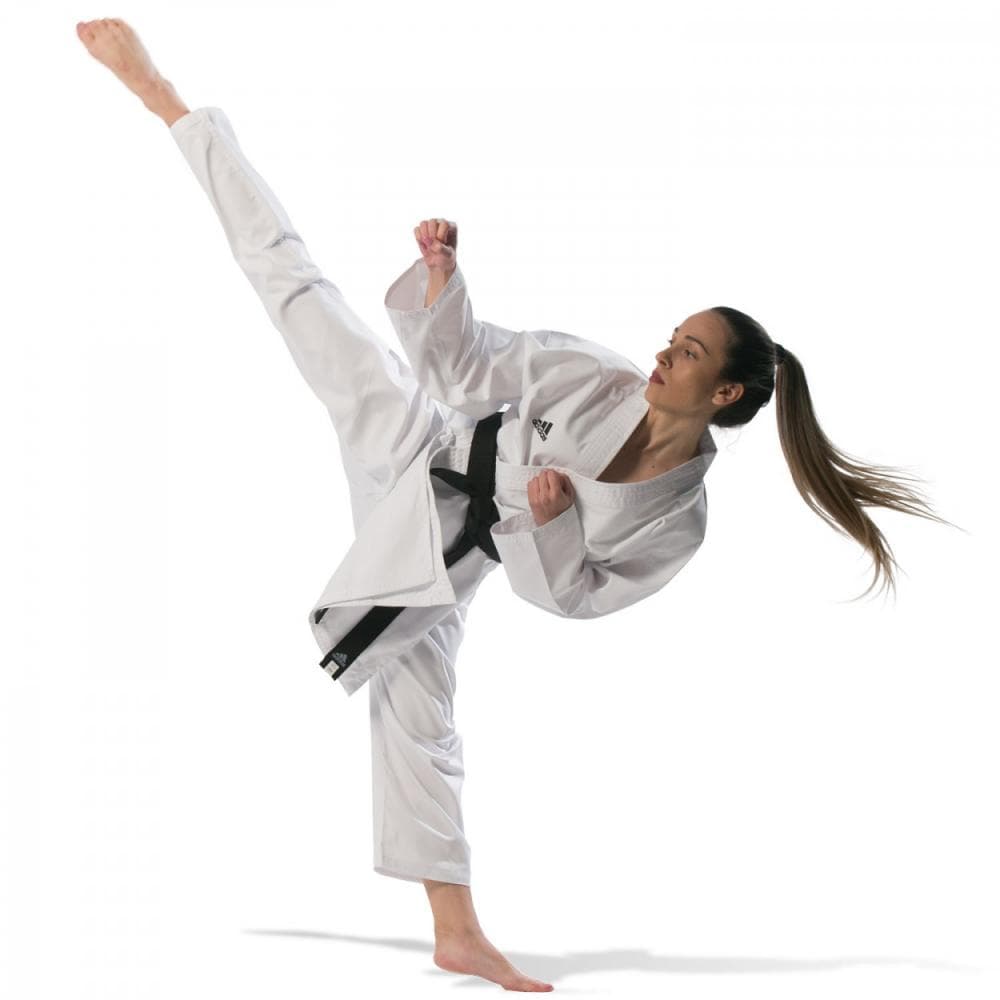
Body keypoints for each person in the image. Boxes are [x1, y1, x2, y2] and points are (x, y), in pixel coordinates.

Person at [75, 18, 955, 993]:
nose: (662, 353)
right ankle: (163, 97)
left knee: (418, 708)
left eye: (687, 353)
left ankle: (456, 933)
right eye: (672, 337)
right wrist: (444, 283)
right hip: (418, 439)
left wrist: (546, 522)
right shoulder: (600, 375)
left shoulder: (676, 522)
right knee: (298, 287)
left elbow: (572, 597)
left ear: (726, 395)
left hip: (455, 545)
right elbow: (463, 368)